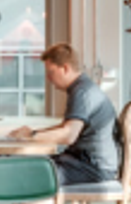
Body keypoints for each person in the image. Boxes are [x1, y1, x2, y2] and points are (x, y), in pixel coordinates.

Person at [8, 43, 118, 188]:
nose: (48, 78)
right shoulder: (82, 87)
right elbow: (65, 127)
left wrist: (32, 136)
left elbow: (68, 135)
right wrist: (33, 133)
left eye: (51, 72)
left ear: (65, 68)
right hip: (85, 161)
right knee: (24, 166)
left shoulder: (82, 93)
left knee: (26, 176)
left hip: (93, 167)